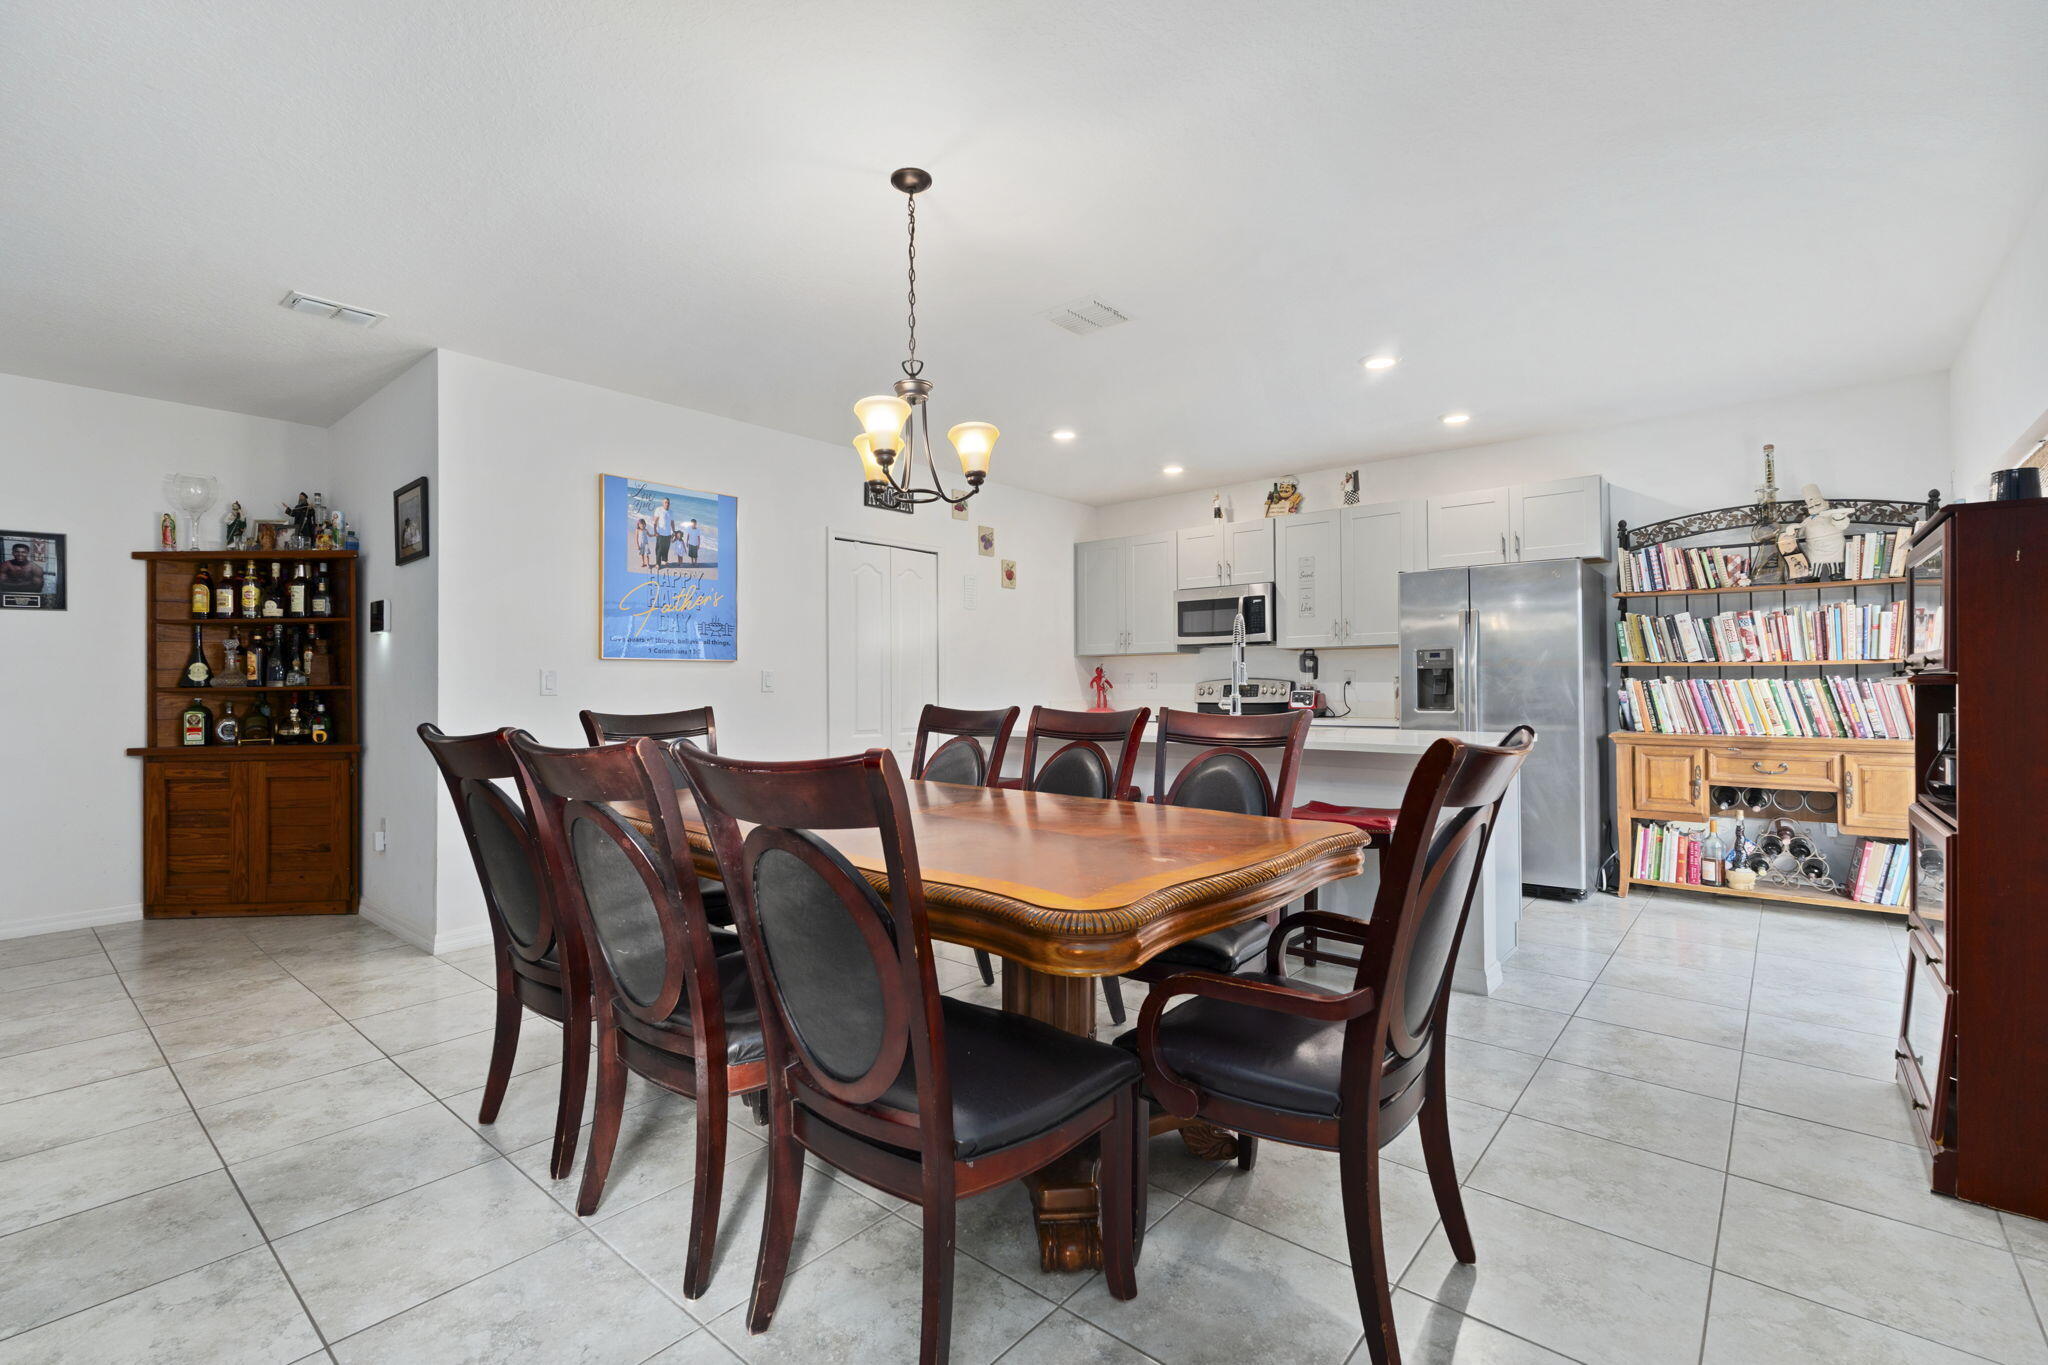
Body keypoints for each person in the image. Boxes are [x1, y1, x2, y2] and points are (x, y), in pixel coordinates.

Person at [652, 498, 675, 571]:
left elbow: (672, 522)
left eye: (668, 503)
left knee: (666, 548)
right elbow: (655, 521)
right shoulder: (659, 510)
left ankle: (665, 561)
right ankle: (658, 564)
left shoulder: (671, 512)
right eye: (665, 502)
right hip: (660, 533)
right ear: (663, 503)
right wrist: (655, 531)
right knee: (659, 550)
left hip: (668, 534)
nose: (667, 504)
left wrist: (674, 531)